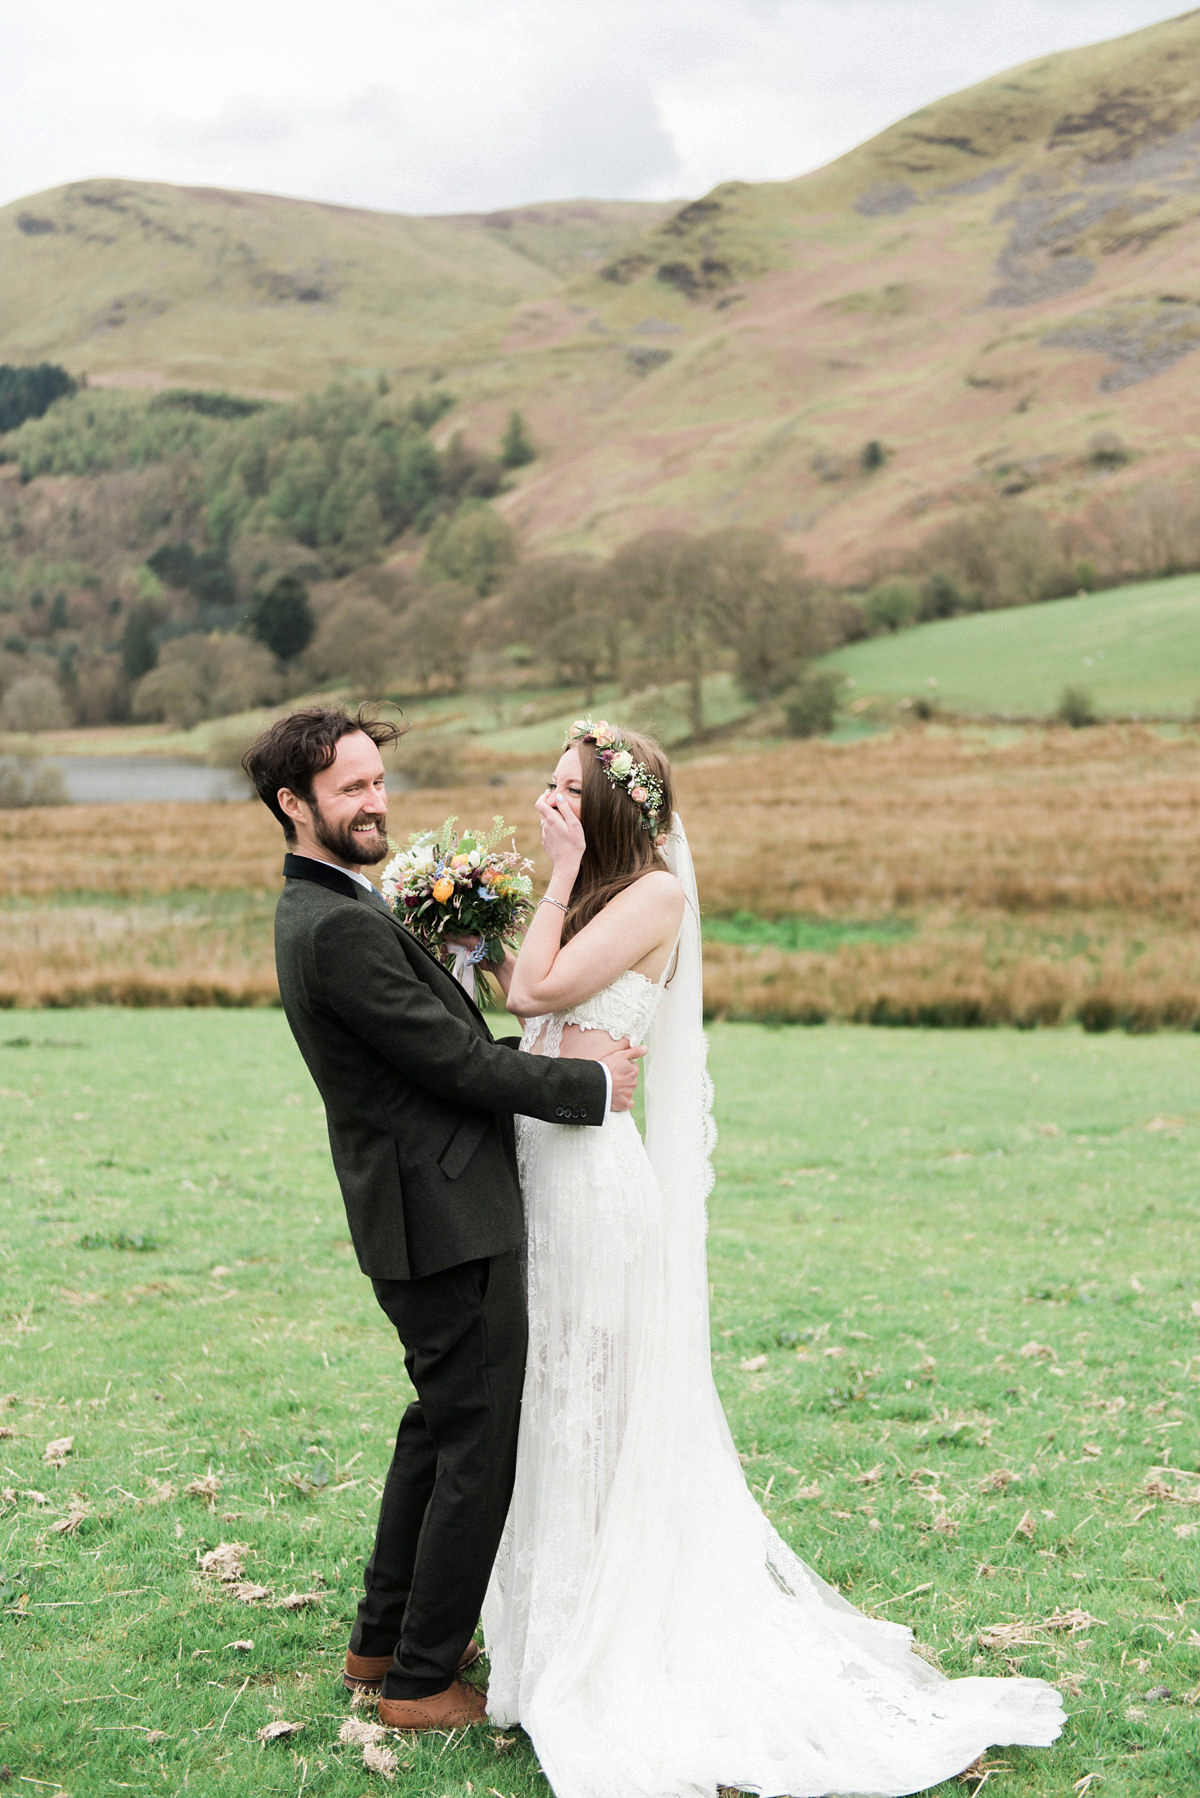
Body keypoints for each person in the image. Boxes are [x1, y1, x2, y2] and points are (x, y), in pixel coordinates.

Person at [480, 718, 1065, 1798]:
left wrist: (554, 878)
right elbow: (527, 991)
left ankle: (606, 1636)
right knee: (550, 1396)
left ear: (615, 805)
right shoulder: (595, 892)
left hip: (598, 1188)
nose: (548, 803)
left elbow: (533, 993)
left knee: (596, 1403)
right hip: (541, 1176)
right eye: (547, 783)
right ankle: (538, 1636)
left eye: (569, 789)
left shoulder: (651, 893)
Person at [241, 706, 645, 1734]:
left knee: (436, 1424)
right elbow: (458, 1066)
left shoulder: (335, 905)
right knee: (478, 1441)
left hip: (424, 1209)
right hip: (444, 1217)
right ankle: (423, 1681)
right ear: (295, 805)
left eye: (378, 781)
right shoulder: (333, 925)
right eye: (350, 789)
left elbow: (435, 1041)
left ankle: (381, 1640)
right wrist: (588, 1085)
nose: (375, 802)